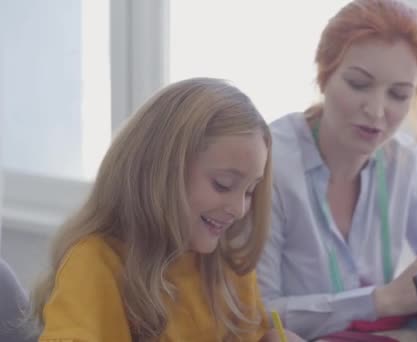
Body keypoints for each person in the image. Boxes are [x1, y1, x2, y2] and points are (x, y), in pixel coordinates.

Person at [26, 78, 302, 341]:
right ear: (161, 171)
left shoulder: (226, 263)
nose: (239, 209)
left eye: (250, 191)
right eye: (223, 184)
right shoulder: (95, 264)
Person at [256, 0, 417, 339]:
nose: (376, 111)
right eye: (358, 84)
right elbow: (257, 314)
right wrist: (381, 301)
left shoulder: (403, 161)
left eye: (399, 95)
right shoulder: (271, 165)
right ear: (324, 74)